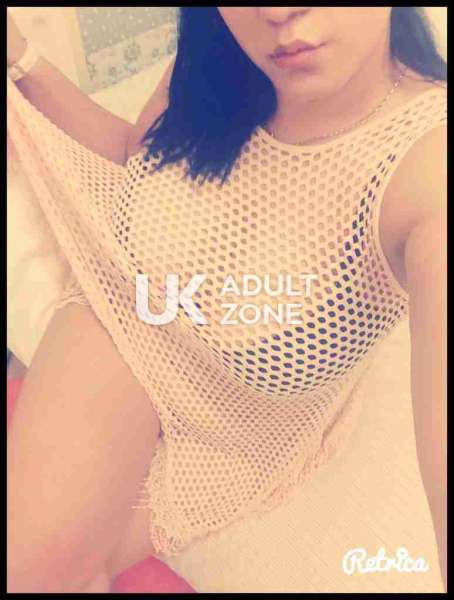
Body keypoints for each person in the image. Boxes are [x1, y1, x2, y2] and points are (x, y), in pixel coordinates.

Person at [7, 7, 446, 593]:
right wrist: (22, 60)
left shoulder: (426, 163)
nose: (277, 12)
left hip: (244, 423)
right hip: (131, 306)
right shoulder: (220, 59)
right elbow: (139, 161)